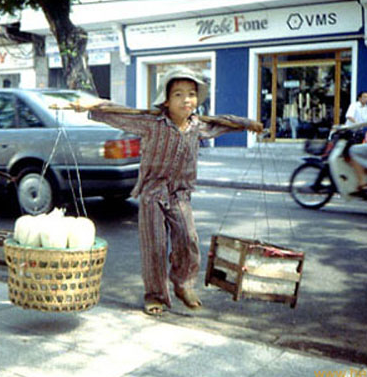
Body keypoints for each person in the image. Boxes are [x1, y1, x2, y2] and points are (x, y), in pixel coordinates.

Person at [72, 66, 263, 316]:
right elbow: (119, 113)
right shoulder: (151, 123)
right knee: (155, 246)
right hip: (152, 193)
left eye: (191, 94)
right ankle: (155, 295)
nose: (186, 100)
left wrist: (248, 124)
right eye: (178, 95)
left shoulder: (198, 126)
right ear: (166, 99)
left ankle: (183, 285)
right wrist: (91, 106)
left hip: (180, 194)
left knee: (188, 239)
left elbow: (222, 123)